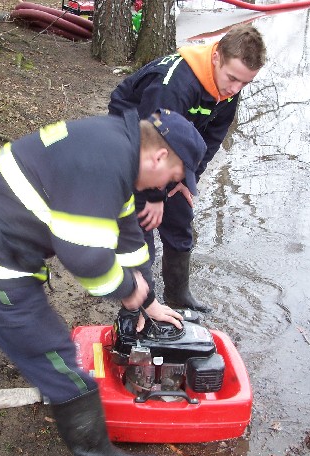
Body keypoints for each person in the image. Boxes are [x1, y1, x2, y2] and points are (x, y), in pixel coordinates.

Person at [0, 109, 206, 456]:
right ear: (159, 157)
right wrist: (126, 290)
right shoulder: (103, 166)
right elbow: (85, 258)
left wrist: (149, 301)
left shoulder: (117, 148)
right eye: (173, 177)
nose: (168, 188)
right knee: (51, 350)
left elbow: (127, 236)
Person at [108, 24, 267, 313]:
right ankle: (142, 304)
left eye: (245, 83)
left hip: (172, 145)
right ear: (216, 57)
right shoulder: (172, 85)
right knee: (142, 223)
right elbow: (149, 143)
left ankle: (178, 296)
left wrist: (187, 177)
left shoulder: (229, 88)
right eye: (232, 78)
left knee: (180, 218)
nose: (235, 89)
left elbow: (213, 136)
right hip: (134, 143)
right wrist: (155, 197)